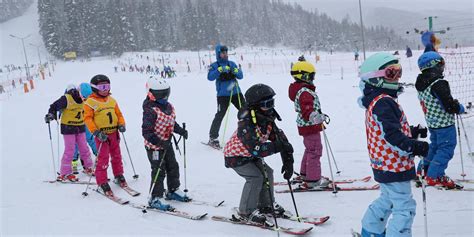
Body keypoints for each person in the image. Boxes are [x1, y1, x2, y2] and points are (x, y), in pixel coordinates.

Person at [358, 52, 430, 237]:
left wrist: (412, 132)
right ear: (375, 79)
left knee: (388, 200)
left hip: (384, 164)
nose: (397, 78)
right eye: (392, 73)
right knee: (405, 208)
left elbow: (387, 131)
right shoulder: (383, 102)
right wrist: (415, 146)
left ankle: (371, 230)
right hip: (394, 166)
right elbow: (392, 137)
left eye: (399, 72)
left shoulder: (377, 101)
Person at [223, 84, 294, 225]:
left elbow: (280, 139)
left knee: (268, 172)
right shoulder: (246, 122)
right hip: (235, 156)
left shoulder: (266, 118)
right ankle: (245, 211)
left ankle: (266, 205)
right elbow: (256, 149)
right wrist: (276, 146)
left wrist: (288, 160)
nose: (270, 107)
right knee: (255, 177)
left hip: (250, 155)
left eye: (272, 103)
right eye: (267, 104)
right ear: (255, 106)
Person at [415, 51, 464, 189]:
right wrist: (458, 107)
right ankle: (435, 176)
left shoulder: (422, 82)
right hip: (444, 123)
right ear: (433, 65)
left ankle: (422, 171)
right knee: (446, 148)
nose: (443, 67)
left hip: (433, 123)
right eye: (441, 64)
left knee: (435, 146)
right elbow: (448, 105)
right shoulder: (438, 83)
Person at [142, 77, 189, 210]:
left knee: (173, 166)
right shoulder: (150, 110)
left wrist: (181, 131)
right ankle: (155, 197)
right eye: (160, 94)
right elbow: (146, 132)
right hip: (155, 147)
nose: (164, 97)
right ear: (151, 93)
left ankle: (172, 190)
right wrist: (160, 142)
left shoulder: (168, 106)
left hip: (167, 144)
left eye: (166, 93)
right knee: (158, 170)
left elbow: (171, 123)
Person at [288, 60, 331, 189]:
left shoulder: (302, 90)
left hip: (307, 126)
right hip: (310, 126)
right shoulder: (305, 92)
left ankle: (306, 173)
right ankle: (313, 180)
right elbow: (307, 110)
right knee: (315, 151)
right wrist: (316, 117)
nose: (313, 78)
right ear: (304, 76)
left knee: (310, 149)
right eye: (311, 76)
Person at [84, 74, 127, 197]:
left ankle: (119, 174)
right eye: (102, 87)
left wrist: (121, 124)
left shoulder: (112, 100)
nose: (105, 89)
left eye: (107, 86)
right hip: (101, 135)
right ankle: (102, 181)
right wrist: (96, 132)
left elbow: (118, 114)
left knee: (117, 155)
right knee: (103, 158)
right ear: (94, 88)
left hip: (114, 133)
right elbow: (87, 119)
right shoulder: (90, 102)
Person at [44, 84, 94, 182]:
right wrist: (51, 114)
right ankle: (65, 172)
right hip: (68, 127)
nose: (85, 100)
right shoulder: (67, 98)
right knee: (70, 149)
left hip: (80, 126)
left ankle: (88, 167)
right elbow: (54, 106)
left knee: (84, 148)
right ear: (79, 92)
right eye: (84, 97)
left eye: (87, 98)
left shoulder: (86, 101)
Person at [207, 44, 244, 149]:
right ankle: (213, 138)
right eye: (223, 53)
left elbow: (241, 76)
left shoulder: (231, 63)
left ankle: (247, 133)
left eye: (226, 52)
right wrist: (219, 70)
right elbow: (210, 77)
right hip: (223, 95)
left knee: (245, 111)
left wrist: (236, 71)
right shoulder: (215, 65)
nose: (225, 54)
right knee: (220, 115)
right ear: (219, 54)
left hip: (236, 93)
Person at [71, 83, 98, 174]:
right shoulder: (71, 96)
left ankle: (98, 154)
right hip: (74, 123)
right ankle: (74, 161)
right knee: (77, 142)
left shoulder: (89, 98)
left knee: (90, 138)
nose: (86, 100)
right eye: (84, 98)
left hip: (85, 122)